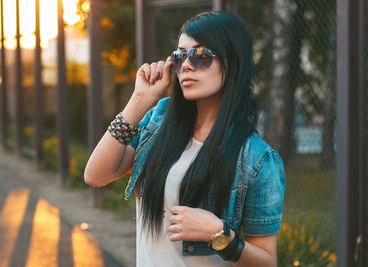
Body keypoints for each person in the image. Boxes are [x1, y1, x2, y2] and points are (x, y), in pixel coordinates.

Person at [85, 11, 285, 267]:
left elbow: (267, 262)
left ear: (232, 63)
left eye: (201, 56)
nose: (186, 65)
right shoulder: (160, 120)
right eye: (180, 56)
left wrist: (219, 235)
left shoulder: (257, 159)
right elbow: (95, 175)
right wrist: (139, 101)